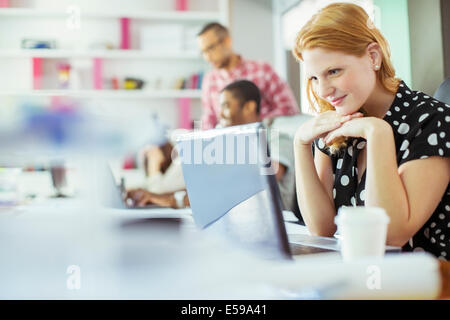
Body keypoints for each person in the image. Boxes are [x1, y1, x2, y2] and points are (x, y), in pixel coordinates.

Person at [291, 2, 449, 260]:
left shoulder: (433, 121)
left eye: (333, 71)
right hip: (368, 278)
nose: (322, 91)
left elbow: (391, 236)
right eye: (314, 78)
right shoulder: (340, 122)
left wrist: (378, 134)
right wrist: (300, 144)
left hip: (431, 284)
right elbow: (322, 228)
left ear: (373, 57)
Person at [126, 80, 297, 215]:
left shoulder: (277, 138)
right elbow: (212, 188)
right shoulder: (228, 143)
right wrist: (161, 198)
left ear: (249, 107)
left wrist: (174, 198)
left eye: (226, 106)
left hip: (274, 224)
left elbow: (257, 181)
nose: (220, 113)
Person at [197, 22, 300, 130]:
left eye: (210, 48)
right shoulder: (209, 80)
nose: (207, 57)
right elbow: (208, 120)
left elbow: (289, 109)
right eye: (203, 52)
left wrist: (254, 124)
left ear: (227, 42)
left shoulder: (262, 70)